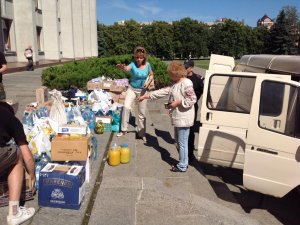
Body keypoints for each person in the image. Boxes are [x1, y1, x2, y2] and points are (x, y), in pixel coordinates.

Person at [139, 61, 197, 172]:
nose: (169, 75)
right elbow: (163, 91)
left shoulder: (186, 83)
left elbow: (192, 99)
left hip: (184, 118)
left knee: (182, 143)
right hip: (179, 118)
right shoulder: (176, 83)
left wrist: (178, 103)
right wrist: (147, 96)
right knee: (179, 141)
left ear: (175, 73)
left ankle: (183, 165)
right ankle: (183, 162)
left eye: (170, 73)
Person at [0, 102, 36, 225]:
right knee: (17, 156)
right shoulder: (12, 120)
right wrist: (32, 176)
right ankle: (14, 213)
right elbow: (27, 156)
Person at [116, 46, 154, 142]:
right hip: (132, 89)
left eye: (141, 58)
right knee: (126, 107)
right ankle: (124, 130)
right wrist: (122, 67)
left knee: (142, 113)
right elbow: (127, 69)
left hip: (143, 91)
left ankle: (141, 133)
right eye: (137, 57)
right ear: (135, 57)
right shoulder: (132, 64)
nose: (139, 59)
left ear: (144, 57)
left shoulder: (148, 65)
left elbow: (151, 74)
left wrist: (149, 82)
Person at [184, 59, 214, 164]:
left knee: (191, 129)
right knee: (182, 129)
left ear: (191, 68)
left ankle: (190, 153)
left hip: (192, 107)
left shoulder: (197, 79)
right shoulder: (182, 77)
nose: (184, 69)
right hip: (182, 106)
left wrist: (210, 103)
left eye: (186, 67)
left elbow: (206, 91)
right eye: (184, 66)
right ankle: (184, 150)